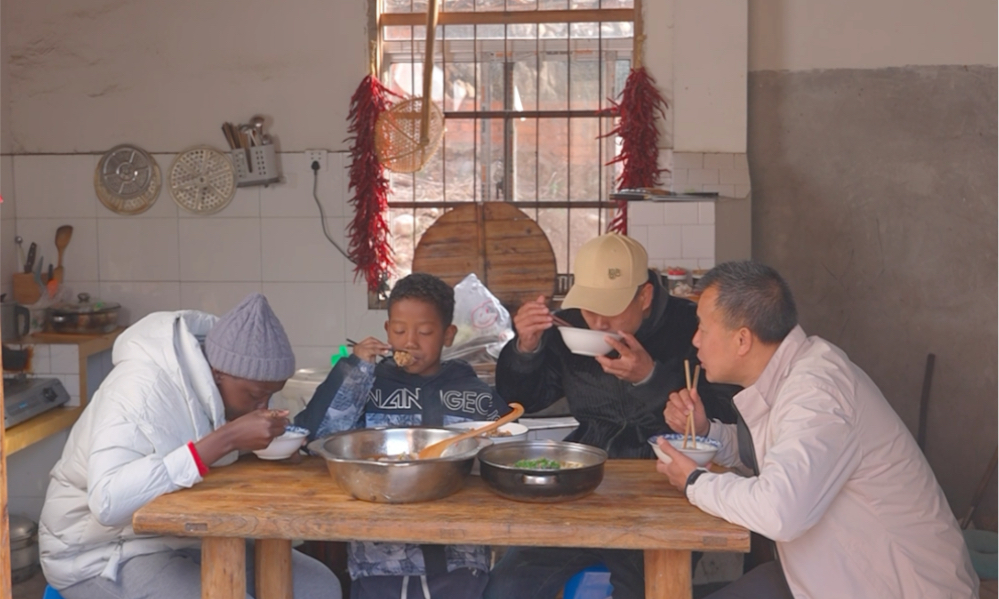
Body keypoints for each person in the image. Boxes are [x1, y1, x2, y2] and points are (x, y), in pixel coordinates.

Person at [657, 260, 978, 598]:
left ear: (742, 340)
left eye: (703, 328)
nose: (695, 340)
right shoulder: (796, 373)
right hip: (837, 576)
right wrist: (708, 433)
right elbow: (780, 457)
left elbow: (780, 511)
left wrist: (694, 482)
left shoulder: (816, 393)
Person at [485, 233, 739, 599]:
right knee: (506, 587)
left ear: (645, 296)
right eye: (590, 307)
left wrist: (651, 379)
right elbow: (522, 401)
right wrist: (526, 348)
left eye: (612, 307)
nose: (598, 322)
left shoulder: (692, 328)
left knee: (642, 589)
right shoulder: (571, 325)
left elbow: (725, 419)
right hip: (585, 480)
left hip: (667, 483)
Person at [38, 293, 343, 599]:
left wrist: (267, 446)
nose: (263, 405)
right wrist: (227, 439)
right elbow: (107, 502)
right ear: (218, 373)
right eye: (255, 396)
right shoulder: (139, 389)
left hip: (183, 537)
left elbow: (199, 436)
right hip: (100, 553)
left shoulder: (222, 386)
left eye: (270, 395)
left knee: (320, 588)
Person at [295, 272, 510, 599]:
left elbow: (503, 449)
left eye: (424, 332)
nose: (410, 341)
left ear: (447, 335)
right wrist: (354, 370)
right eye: (399, 330)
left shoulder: (472, 393)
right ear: (387, 331)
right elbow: (317, 436)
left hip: (460, 557)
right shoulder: (368, 384)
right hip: (380, 559)